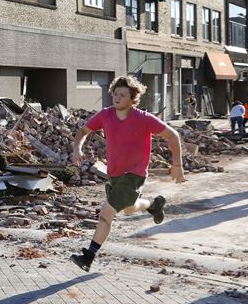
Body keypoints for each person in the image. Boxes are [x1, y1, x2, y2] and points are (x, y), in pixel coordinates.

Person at [69, 75, 186, 271]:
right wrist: (76, 149)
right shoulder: (105, 115)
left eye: (122, 95)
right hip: (114, 174)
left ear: (133, 98)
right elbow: (83, 131)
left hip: (134, 174)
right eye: (115, 94)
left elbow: (172, 135)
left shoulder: (143, 119)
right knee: (130, 209)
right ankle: (154, 205)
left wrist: (177, 165)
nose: (117, 98)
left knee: (106, 214)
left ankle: (88, 256)